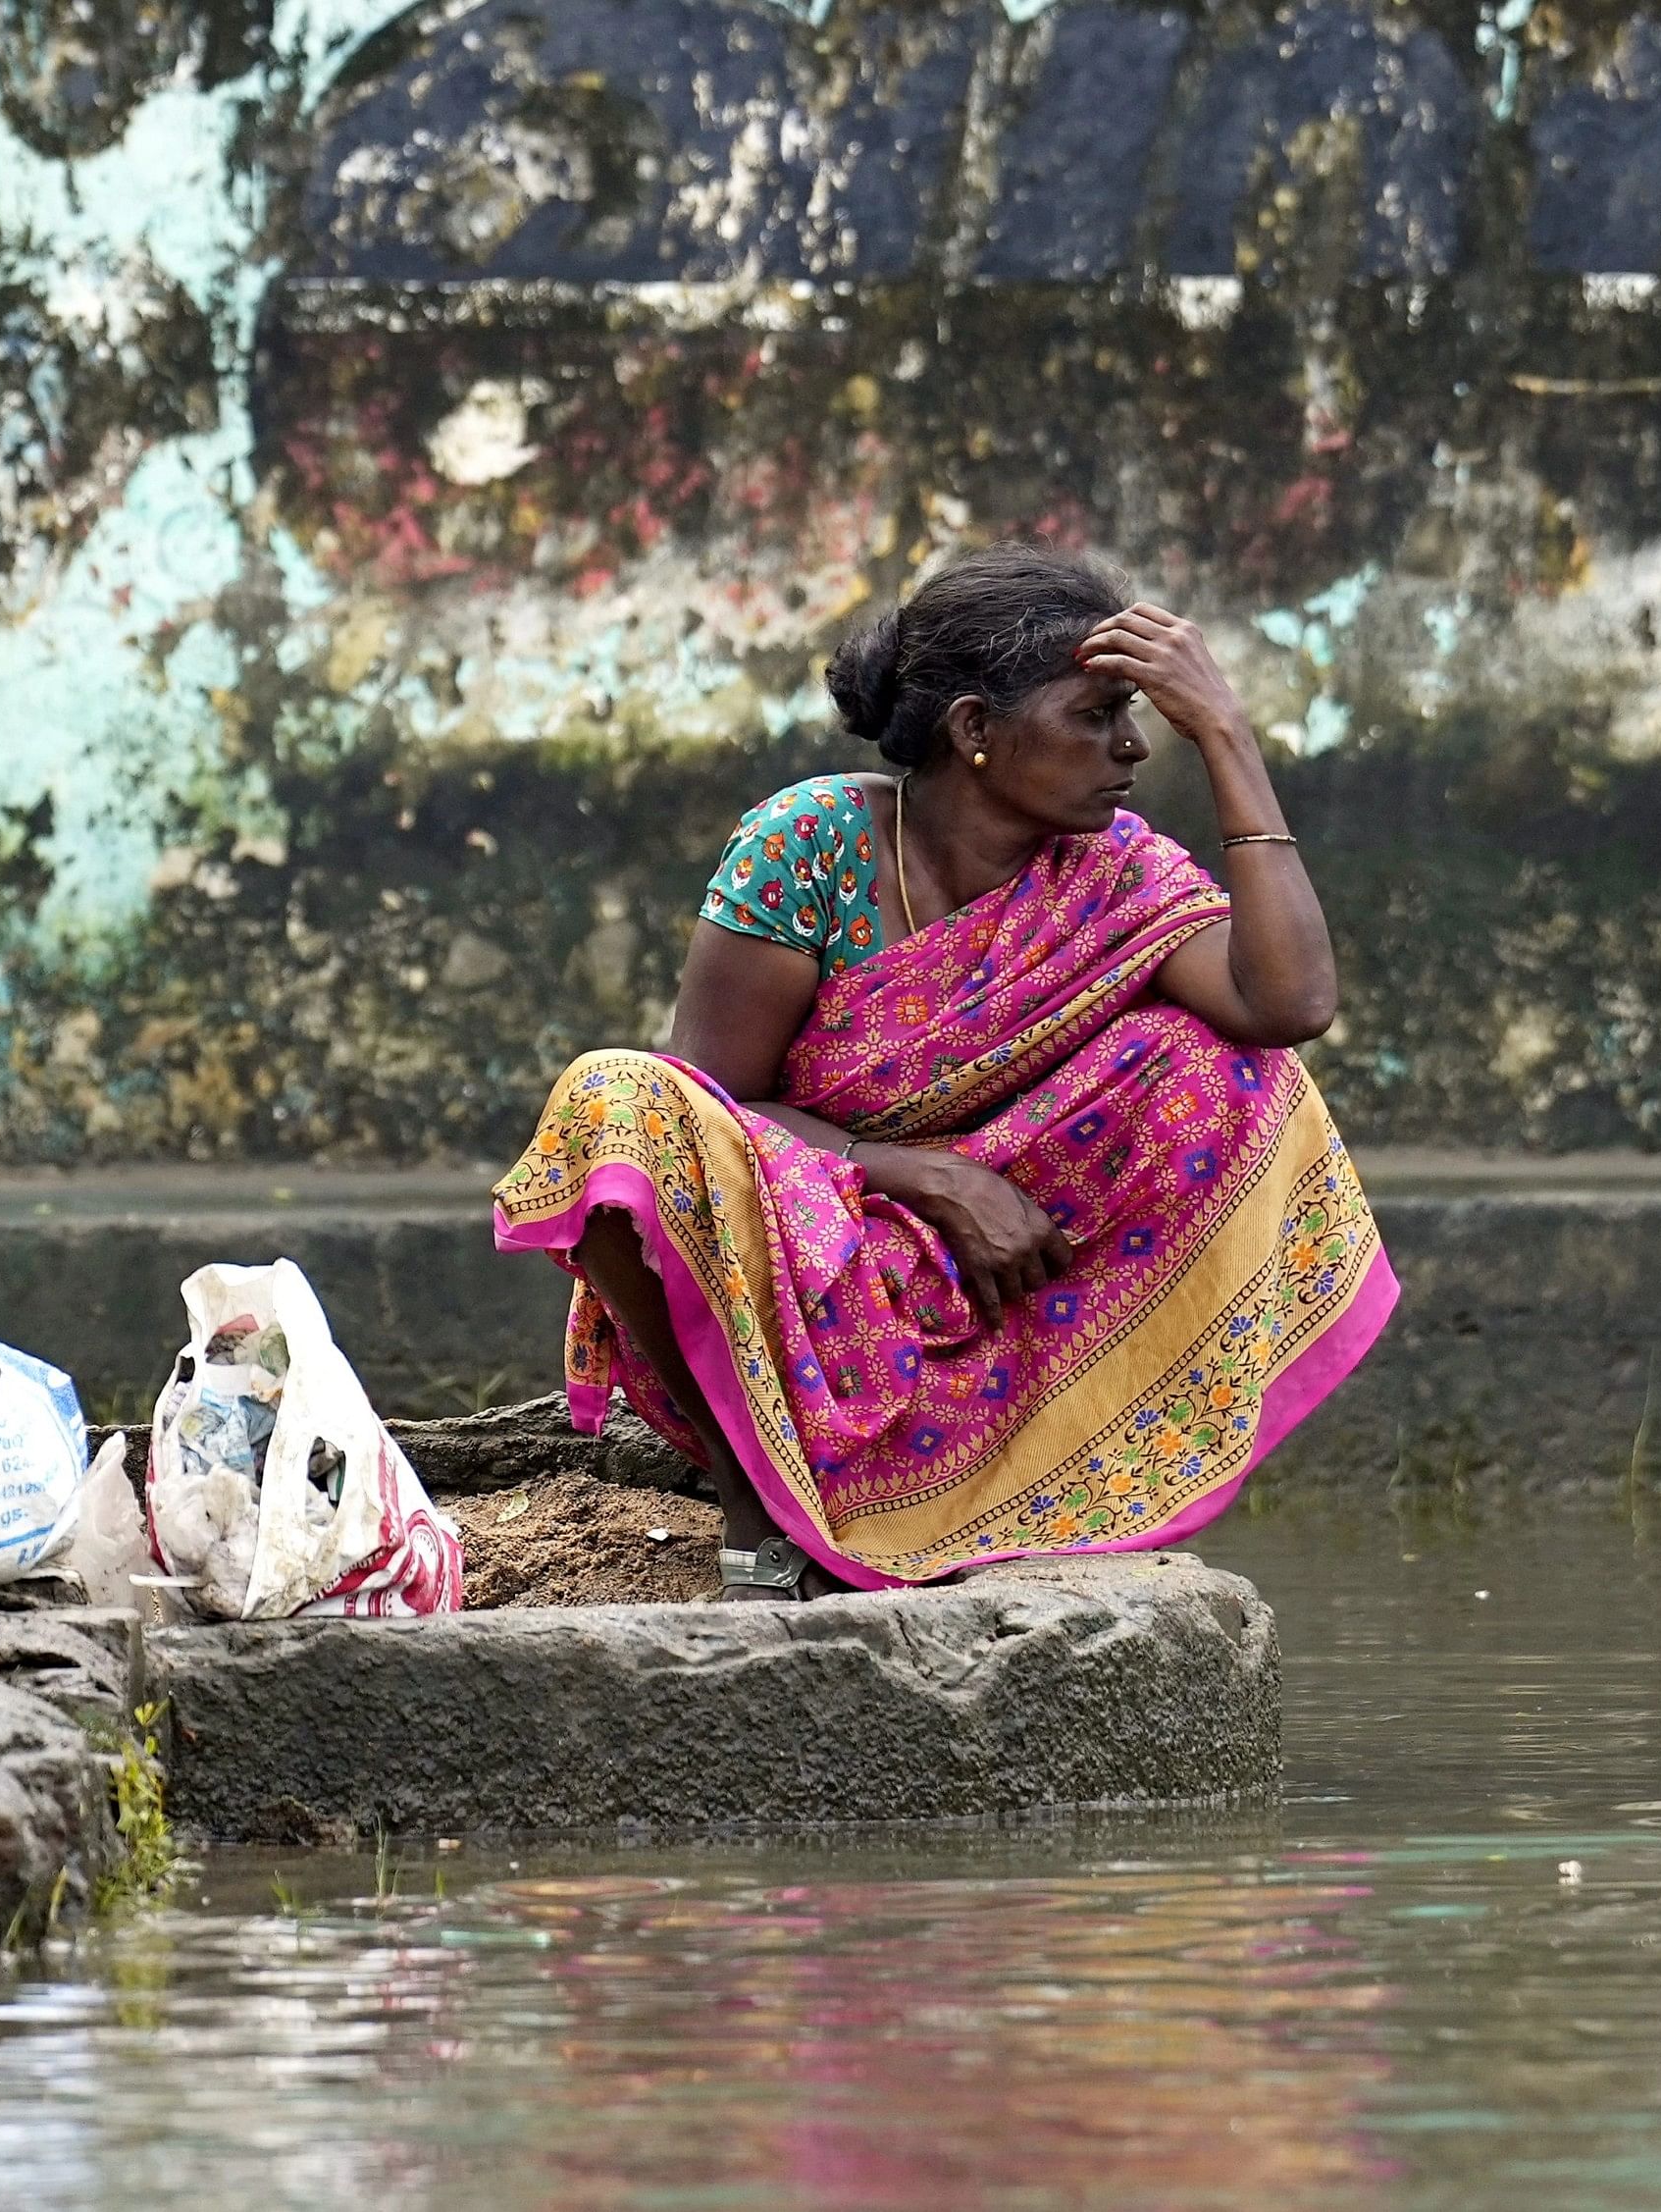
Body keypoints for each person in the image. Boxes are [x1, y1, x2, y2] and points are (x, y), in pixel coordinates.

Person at [492, 545, 1399, 1598]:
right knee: (616, 1099)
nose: (1133, 746)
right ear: (973, 729)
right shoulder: (810, 844)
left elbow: (1289, 1007)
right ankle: (753, 1479)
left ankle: (1021, 1459)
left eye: (1140, 717)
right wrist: (928, 1176)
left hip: (993, 1283)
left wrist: (1229, 739)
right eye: (1095, 715)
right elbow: (710, 1115)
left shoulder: (1115, 871)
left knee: (1218, 1068)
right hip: (793, 1264)